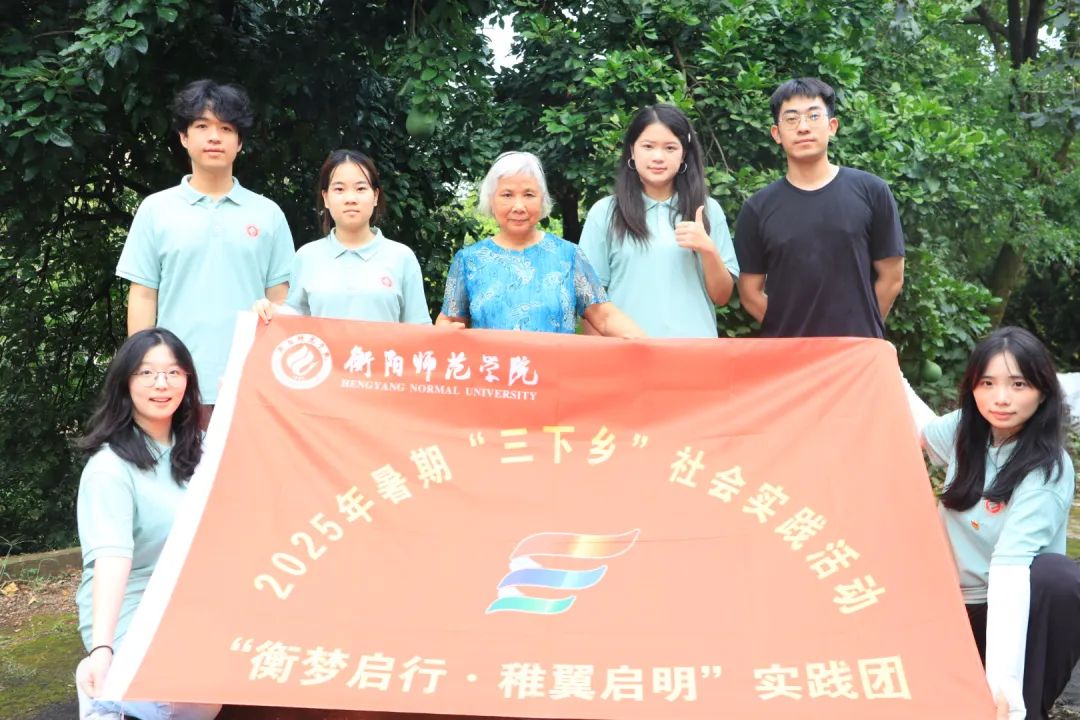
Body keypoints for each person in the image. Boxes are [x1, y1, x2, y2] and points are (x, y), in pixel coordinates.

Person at [905, 327, 1079, 720]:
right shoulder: (966, 430)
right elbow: (914, 425)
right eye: (988, 383)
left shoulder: (1047, 470)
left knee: (1057, 577)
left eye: (1018, 384)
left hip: (1009, 615)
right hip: (948, 608)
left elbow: (1009, 570)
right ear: (973, 387)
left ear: (1043, 391)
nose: (1001, 398)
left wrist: (1006, 692)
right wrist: (879, 359)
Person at [117, 79, 295, 423]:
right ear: (184, 137)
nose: (214, 137)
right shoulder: (156, 210)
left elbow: (281, 300)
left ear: (239, 142)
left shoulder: (268, 214)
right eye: (202, 126)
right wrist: (143, 373)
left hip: (251, 384)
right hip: (174, 385)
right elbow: (142, 295)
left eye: (226, 128)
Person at [74, 328, 219, 720]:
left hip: (196, 598)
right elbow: (112, 561)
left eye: (173, 372)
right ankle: (103, 697)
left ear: (188, 380)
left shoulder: (203, 449)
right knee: (173, 698)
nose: (161, 383)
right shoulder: (109, 468)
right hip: (134, 603)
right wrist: (102, 649)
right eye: (147, 372)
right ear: (126, 382)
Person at [734, 77, 905, 338]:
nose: (803, 127)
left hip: (856, 351)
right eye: (791, 119)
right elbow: (749, 292)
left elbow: (892, 277)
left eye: (814, 116)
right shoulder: (757, 209)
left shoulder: (872, 191)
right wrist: (791, 333)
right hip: (791, 354)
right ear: (776, 134)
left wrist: (862, 329)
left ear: (832, 126)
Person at [436, 151, 643, 338]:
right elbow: (450, 321)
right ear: (491, 200)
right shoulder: (469, 260)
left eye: (529, 195)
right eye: (507, 195)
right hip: (492, 368)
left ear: (542, 199)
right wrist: (445, 329)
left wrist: (645, 343)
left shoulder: (569, 255)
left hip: (555, 369)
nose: (519, 206)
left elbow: (604, 316)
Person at [578, 103, 739, 337]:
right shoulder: (605, 213)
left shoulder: (707, 210)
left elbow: (722, 296)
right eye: (648, 146)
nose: (658, 157)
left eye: (670, 148)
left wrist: (708, 250)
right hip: (628, 353)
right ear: (632, 151)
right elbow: (591, 304)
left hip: (696, 352)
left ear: (684, 154)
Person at [253, 149, 430, 324]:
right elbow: (293, 320)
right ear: (326, 198)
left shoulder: (402, 257)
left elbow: (420, 330)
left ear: (375, 196)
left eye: (361, 188)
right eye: (339, 189)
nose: (350, 198)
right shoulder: (307, 257)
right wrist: (269, 310)